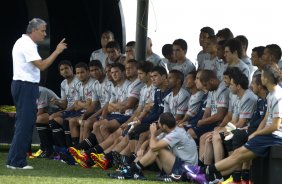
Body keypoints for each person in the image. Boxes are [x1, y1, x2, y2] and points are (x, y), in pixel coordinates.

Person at [185, 63, 282, 184]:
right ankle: (209, 175)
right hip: (267, 136)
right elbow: (265, 119)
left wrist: (256, 134)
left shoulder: (278, 96)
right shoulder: (271, 95)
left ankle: (205, 172)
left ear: (266, 78)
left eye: (262, 75)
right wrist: (257, 133)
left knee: (238, 154)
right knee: (238, 154)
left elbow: (275, 126)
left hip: (274, 137)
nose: (260, 78)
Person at [6, 18, 67, 169]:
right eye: (42, 30)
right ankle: (17, 162)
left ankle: (13, 160)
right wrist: (57, 51)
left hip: (24, 85)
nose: (45, 34)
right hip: (26, 86)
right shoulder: (27, 44)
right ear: (33, 30)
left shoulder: (24, 43)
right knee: (25, 125)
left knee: (23, 124)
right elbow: (42, 65)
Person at [109, 112, 198, 181]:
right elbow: (150, 142)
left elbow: (154, 146)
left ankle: (130, 171)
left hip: (185, 171)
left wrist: (152, 133)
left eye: (159, 123)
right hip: (179, 166)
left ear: (164, 126)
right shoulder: (171, 130)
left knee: (157, 149)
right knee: (154, 147)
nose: (157, 125)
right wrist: (143, 147)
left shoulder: (176, 134)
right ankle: (131, 170)